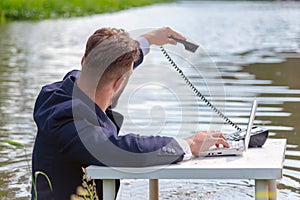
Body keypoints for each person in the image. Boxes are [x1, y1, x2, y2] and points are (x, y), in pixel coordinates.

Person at [31, 27, 229, 200]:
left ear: (84, 61)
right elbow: (115, 147)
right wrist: (188, 144)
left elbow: (113, 65)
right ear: (119, 83)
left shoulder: (62, 91)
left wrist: (148, 40)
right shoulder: (65, 118)